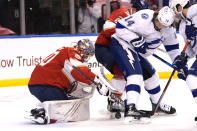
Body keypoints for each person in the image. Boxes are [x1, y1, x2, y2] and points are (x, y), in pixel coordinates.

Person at [109, 6, 181, 122]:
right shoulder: (144, 17)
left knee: (152, 76)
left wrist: (178, 62)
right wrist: (137, 41)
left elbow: (172, 48)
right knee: (135, 76)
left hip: (136, 51)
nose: (159, 26)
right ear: (157, 15)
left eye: (163, 25)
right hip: (122, 44)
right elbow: (120, 27)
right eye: (158, 22)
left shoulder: (169, 31)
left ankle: (156, 105)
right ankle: (130, 108)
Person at [27, 39, 110, 124]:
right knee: (66, 110)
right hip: (45, 84)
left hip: (40, 84)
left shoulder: (65, 52)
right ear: (82, 50)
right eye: (87, 54)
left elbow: (66, 75)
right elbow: (79, 71)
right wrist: (97, 82)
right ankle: (43, 114)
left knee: (65, 103)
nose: (87, 57)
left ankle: (42, 109)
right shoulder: (72, 52)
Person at [95, 3, 149, 115]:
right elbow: (107, 28)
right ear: (133, 9)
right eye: (139, 13)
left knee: (126, 71)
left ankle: (114, 100)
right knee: (122, 70)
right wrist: (127, 34)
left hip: (116, 49)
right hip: (105, 48)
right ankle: (114, 100)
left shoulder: (138, 24)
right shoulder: (123, 13)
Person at [169, 0, 197, 121]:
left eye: (173, 10)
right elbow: (192, 50)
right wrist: (183, 58)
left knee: (192, 78)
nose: (174, 14)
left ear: (179, 7)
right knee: (191, 79)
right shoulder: (182, 26)